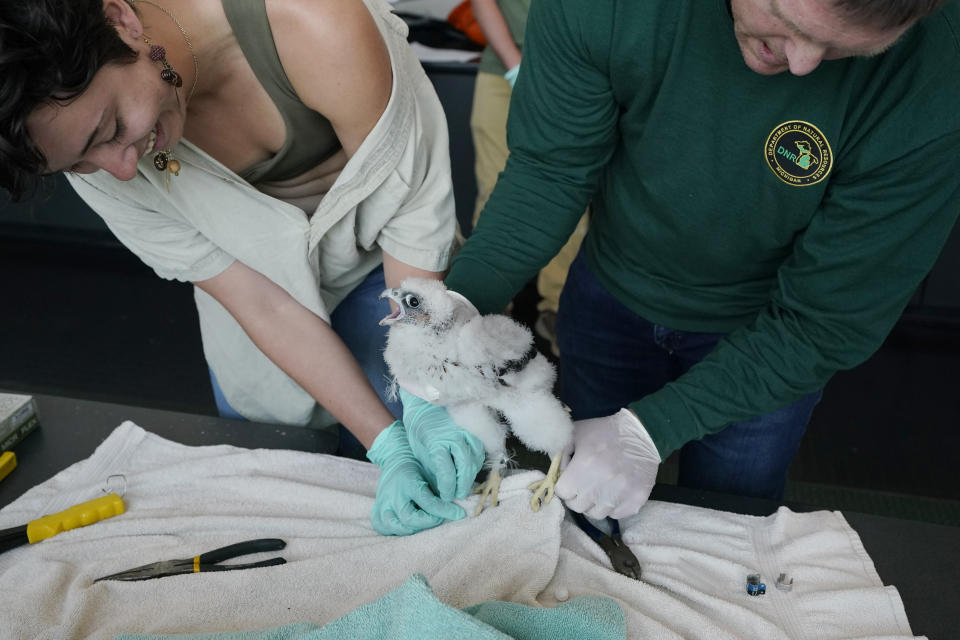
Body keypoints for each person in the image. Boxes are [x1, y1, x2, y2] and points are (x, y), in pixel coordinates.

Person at [441, 0, 960, 520]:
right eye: (790, 24)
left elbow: (825, 320)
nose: (803, 65)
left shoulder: (938, 74)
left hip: (769, 341)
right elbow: (549, 172)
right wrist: (453, 315)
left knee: (729, 525)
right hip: (611, 290)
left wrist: (650, 431)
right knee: (581, 517)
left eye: (848, 48)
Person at [0, 0, 485, 535]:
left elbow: (411, 217)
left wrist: (422, 395)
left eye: (112, 127)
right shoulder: (90, 152)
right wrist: (385, 446)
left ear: (122, 22)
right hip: (261, 303)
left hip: (389, 267)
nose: (118, 169)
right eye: (79, 164)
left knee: (453, 466)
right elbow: (262, 303)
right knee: (297, 497)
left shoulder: (311, 21)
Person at [467, 0, 588, 355]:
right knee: (493, 195)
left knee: (573, 205)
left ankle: (557, 315)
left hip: (573, 72)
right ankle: (484, 318)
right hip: (503, 68)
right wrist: (515, 67)